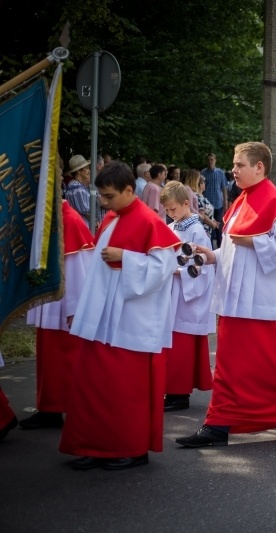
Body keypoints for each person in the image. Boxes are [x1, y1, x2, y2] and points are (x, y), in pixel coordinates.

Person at [176, 142, 276, 448]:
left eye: (239, 165)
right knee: (229, 363)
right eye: (234, 165)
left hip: (268, 302)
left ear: (259, 167)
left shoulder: (275, 201)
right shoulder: (241, 201)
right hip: (236, 299)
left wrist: (253, 243)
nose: (233, 170)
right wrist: (211, 255)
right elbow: (236, 246)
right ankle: (218, 424)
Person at [61, 162, 181, 470]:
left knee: (125, 389)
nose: (104, 203)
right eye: (101, 196)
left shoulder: (149, 221)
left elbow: (163, 268)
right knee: (94, 385)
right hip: (102, 317)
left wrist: (125, 257)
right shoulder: (113, 217)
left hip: (130, 320)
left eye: (109, 196)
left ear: (130, 190)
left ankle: (131, 448)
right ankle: (94, 445)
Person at [20, 201, 94, 429]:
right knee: (48, 360)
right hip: (51, 301)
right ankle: (49, 409)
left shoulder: (69, 221)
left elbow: (77, 269)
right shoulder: (52, 219)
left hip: (62, 305)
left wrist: (74, 308)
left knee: (64, 360)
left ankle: (68, 409)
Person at [159, 182, 215, 412]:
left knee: (181, 346)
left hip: (186, 295)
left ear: (185, 203)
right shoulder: (173, 226)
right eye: (167, 210)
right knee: (172, 345)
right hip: (173, 292)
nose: (170, 214)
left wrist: (178, 272)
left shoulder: (196, 231)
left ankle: (179, 395)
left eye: (173, 209)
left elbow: (202, 266)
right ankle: (172, 391)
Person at [201, 153, 228, 246]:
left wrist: (225, 203)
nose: (210, 162)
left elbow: (224, 189)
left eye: (212, 159)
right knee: (210, 228)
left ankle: (221, 249)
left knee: (219, 229)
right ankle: (211, 248)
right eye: (208, 160)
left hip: (218, 204)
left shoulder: (220, 173)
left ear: (215, 160)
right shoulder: (203, 173)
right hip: (207, 205)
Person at [185, 170, 219, 238]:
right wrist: (200, 216)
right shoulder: (189, 190)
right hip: (199, 224)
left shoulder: (190, 190)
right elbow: (190, 207)